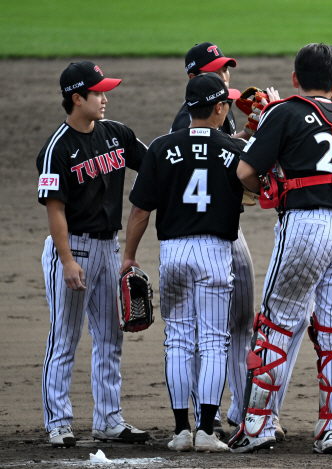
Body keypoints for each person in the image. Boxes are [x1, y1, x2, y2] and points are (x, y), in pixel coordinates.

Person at [230, 43, 332, 455]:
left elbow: (245, 172)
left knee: (275, 326)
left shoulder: (283, 111)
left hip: (306, 226)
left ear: (294, 79)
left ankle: (256, 426)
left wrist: (269, 187)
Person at [120, 73, 245, 452]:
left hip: (173, 252)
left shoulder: (161, 147)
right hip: (214, 253)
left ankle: (180, 431)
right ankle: (207, 429)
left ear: (189, 107)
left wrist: (128, 256)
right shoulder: (234, 149)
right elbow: (258, 189)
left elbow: (141, 210)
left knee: (177, 341)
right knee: (212, 342)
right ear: (220, 108)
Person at [37, 61, 150, 447]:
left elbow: (154, 165)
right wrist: (67, 260)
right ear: (77, 97)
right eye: (98, 93)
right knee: (64, 338)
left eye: (105, 92)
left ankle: (108, 419)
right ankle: (58, 422)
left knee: (110, 339)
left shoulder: (117, 135)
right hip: (73, 248)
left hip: (109, 247)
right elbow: (55, 210)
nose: (105, 98)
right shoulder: (57, 149)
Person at [169, 41, 275, 442]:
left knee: (237, 320)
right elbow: (222, 170)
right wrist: (260, 137)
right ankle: (206, 413)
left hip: (225, 232)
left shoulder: (216, 116)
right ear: (194, 78)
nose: (225, 75)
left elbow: (225, 152)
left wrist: (249, 131)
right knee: (207, 330)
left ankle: (236, 409)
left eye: (226, 68)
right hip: (208, 235)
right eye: (216, 69)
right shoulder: (188, 122)